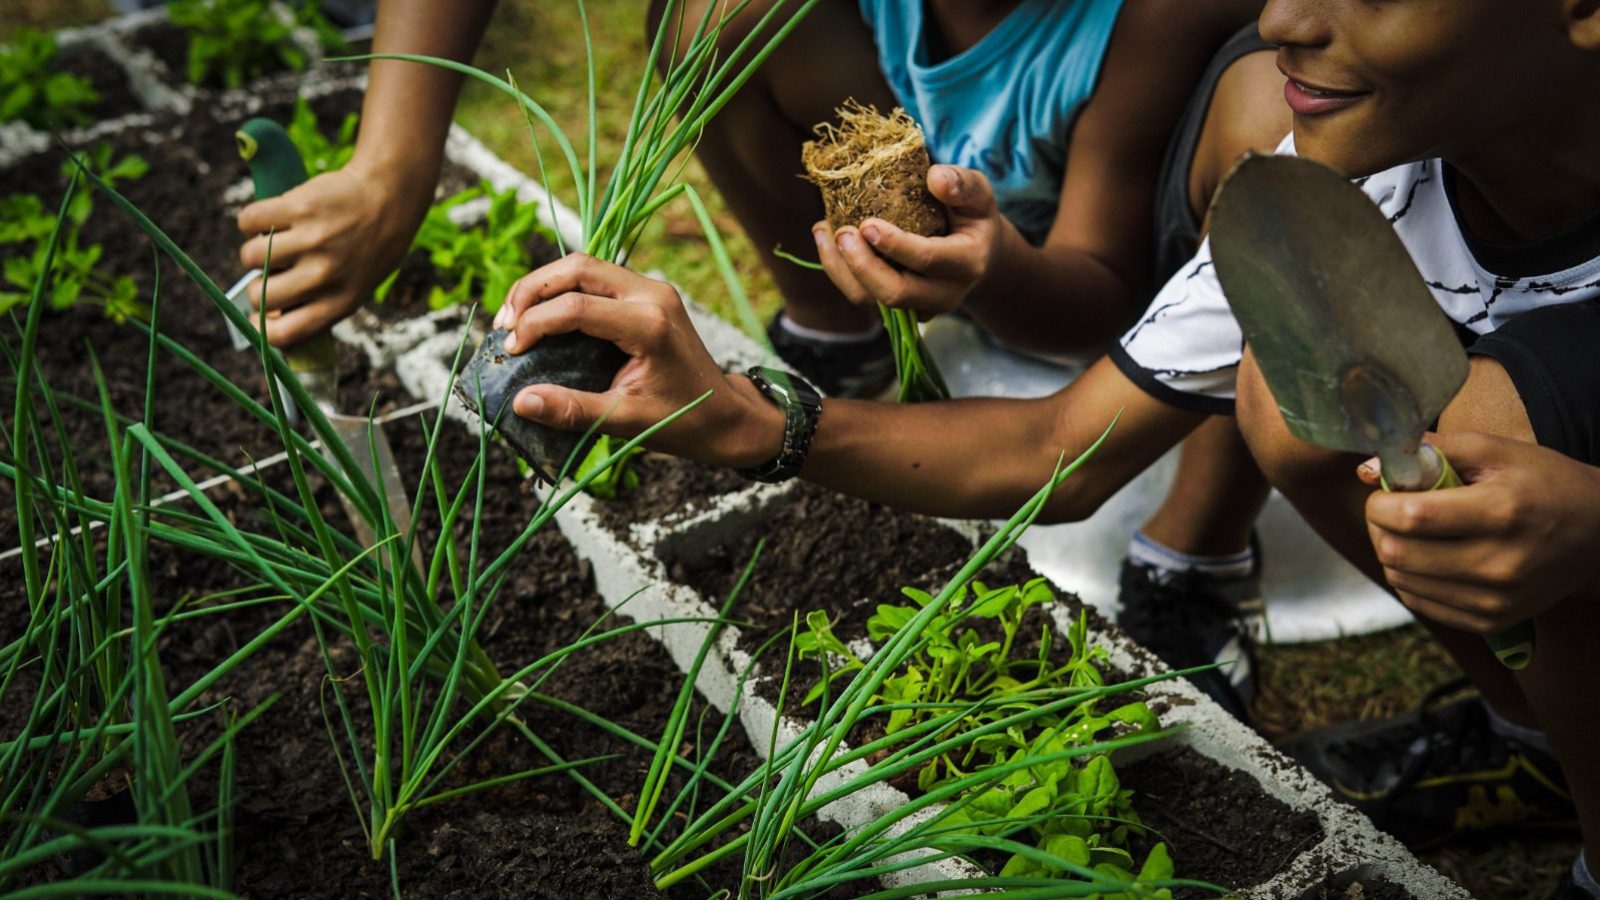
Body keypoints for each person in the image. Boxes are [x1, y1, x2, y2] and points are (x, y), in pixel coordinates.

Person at [491, 0, 1600, 889]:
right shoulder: (1346, 185)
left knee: (1488, 428)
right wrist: (743, 416)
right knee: (1293, 386)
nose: (1282, 18)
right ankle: (1540, 744)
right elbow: (1052, 452)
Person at [234, 0, 1287, 718]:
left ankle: (1193, 554)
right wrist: (390, 163)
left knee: (1279, 200)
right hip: (940, 205)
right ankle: (842, 337)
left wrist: (993, 271)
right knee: (715, 10)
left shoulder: (1157, 24)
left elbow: (1095, 298)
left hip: (1115, 258)